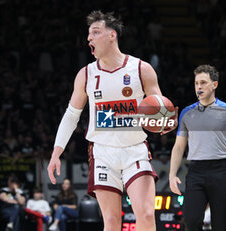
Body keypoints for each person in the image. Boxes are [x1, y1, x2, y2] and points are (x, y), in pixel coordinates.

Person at [47, 10, 176, 231]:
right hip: (102, 153)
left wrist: (164, 122)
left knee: (145, 215)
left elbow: (160, 107)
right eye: (88, 34)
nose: (89, 38)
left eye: (95, 32)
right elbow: (71, 115)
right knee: (112, 221)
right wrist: (56, 151)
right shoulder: (85, 74)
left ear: (112, 35)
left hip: (135, 149)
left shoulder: (141, 69)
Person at [169, 64, 226, 231]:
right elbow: (178, 147)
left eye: (203, 82)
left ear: (215, 84)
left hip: (221, 171)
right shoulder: (186, 112)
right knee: (191, 221)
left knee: (221, 225)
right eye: (196, 83)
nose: (199, 86)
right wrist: (171, 174)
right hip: (195, 171)